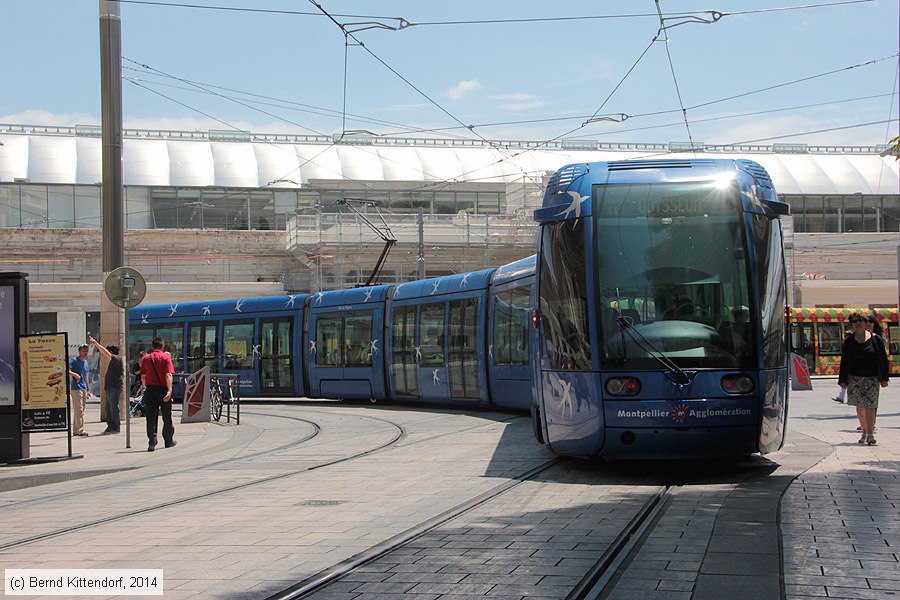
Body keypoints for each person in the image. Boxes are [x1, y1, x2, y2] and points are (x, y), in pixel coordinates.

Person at [837, 312, 890, 445]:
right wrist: (843, 380)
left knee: (871, 405)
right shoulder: (849, 341)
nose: (858, 323)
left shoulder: (875, 339)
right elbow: (845, 361)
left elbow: (883, 359)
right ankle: (864, 432)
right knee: (860, 406)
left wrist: (884, 378)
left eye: (861, 320)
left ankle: (870, 434)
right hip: (855, 378)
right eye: (855, 321)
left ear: (865, 322)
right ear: (852, 324)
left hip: (872, 378)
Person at [141, 337, 176, 452]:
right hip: (163, 389)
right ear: (162, 347)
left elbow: (143, 376)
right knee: (167, 416)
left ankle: (152, 441)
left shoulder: (146, 358)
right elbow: (168, 375)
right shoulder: (166, 357)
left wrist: (145, 387)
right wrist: (169, 390)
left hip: (150, 389)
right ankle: (168, 440)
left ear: (152, 347)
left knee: (151, 417)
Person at [89, 336, 123, 434]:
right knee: (108, 408)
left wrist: (96, 344)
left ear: (112, 351)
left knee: (113, 407)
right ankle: (110, 426)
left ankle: (115, 427)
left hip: (113, 387)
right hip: (110, 387)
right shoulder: (115, 361)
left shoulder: (116, 359)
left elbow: (106, 353)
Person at [68, 344, 90, 437]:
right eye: (83, 351)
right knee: (79, 410)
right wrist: (75, 375)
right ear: (79, 351)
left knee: (80, 410)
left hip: (83, 387)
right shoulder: (73, 360)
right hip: (76, 388)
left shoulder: (85, 362)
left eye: (86, 351)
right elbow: (66, 370)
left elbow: (86, 376)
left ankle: (76, 430)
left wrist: (88, 389)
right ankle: (80, 430)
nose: (85, 353)